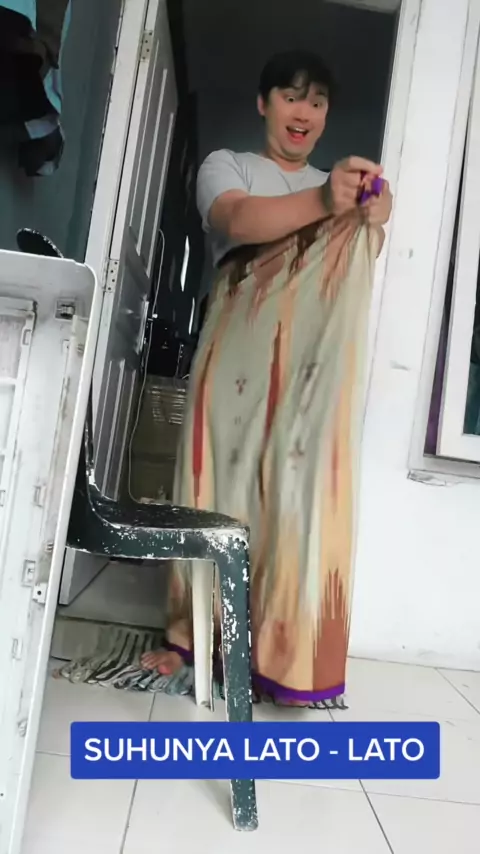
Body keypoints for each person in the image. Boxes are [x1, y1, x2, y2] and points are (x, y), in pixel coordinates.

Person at [142, 49, 393, 707]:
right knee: (214, 492)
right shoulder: (228, 165)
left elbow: (360, 247)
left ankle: (282, 654)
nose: (303, 111)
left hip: (306, 375)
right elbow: (237, 221)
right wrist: (326, 200)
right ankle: (190, 638)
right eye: (290, 95)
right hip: (235, 359)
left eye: (317, 101)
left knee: (296, 497)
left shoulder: (338, 188)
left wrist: (372, 209)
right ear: (264, 103)